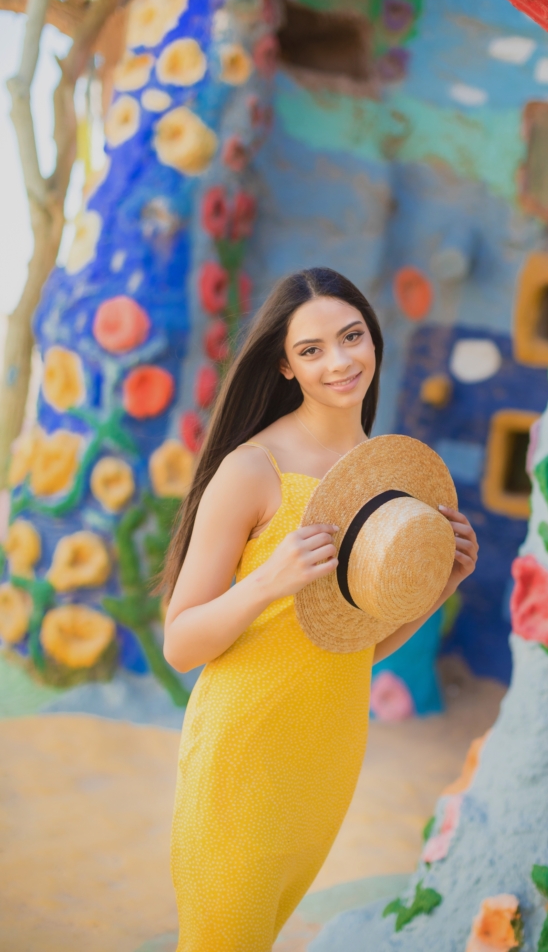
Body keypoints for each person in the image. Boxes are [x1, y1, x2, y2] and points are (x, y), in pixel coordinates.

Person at [162, 267, 478, 951]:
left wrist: (440, 586)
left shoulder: (386, 477)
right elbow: (181, 645)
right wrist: (265, 583)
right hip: (242, 756)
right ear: (284, 363)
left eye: (351, 337)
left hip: (327, 756)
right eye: (311, 349)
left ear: (372, 338)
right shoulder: (253, 469)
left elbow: (353, 645)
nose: (338, 361)